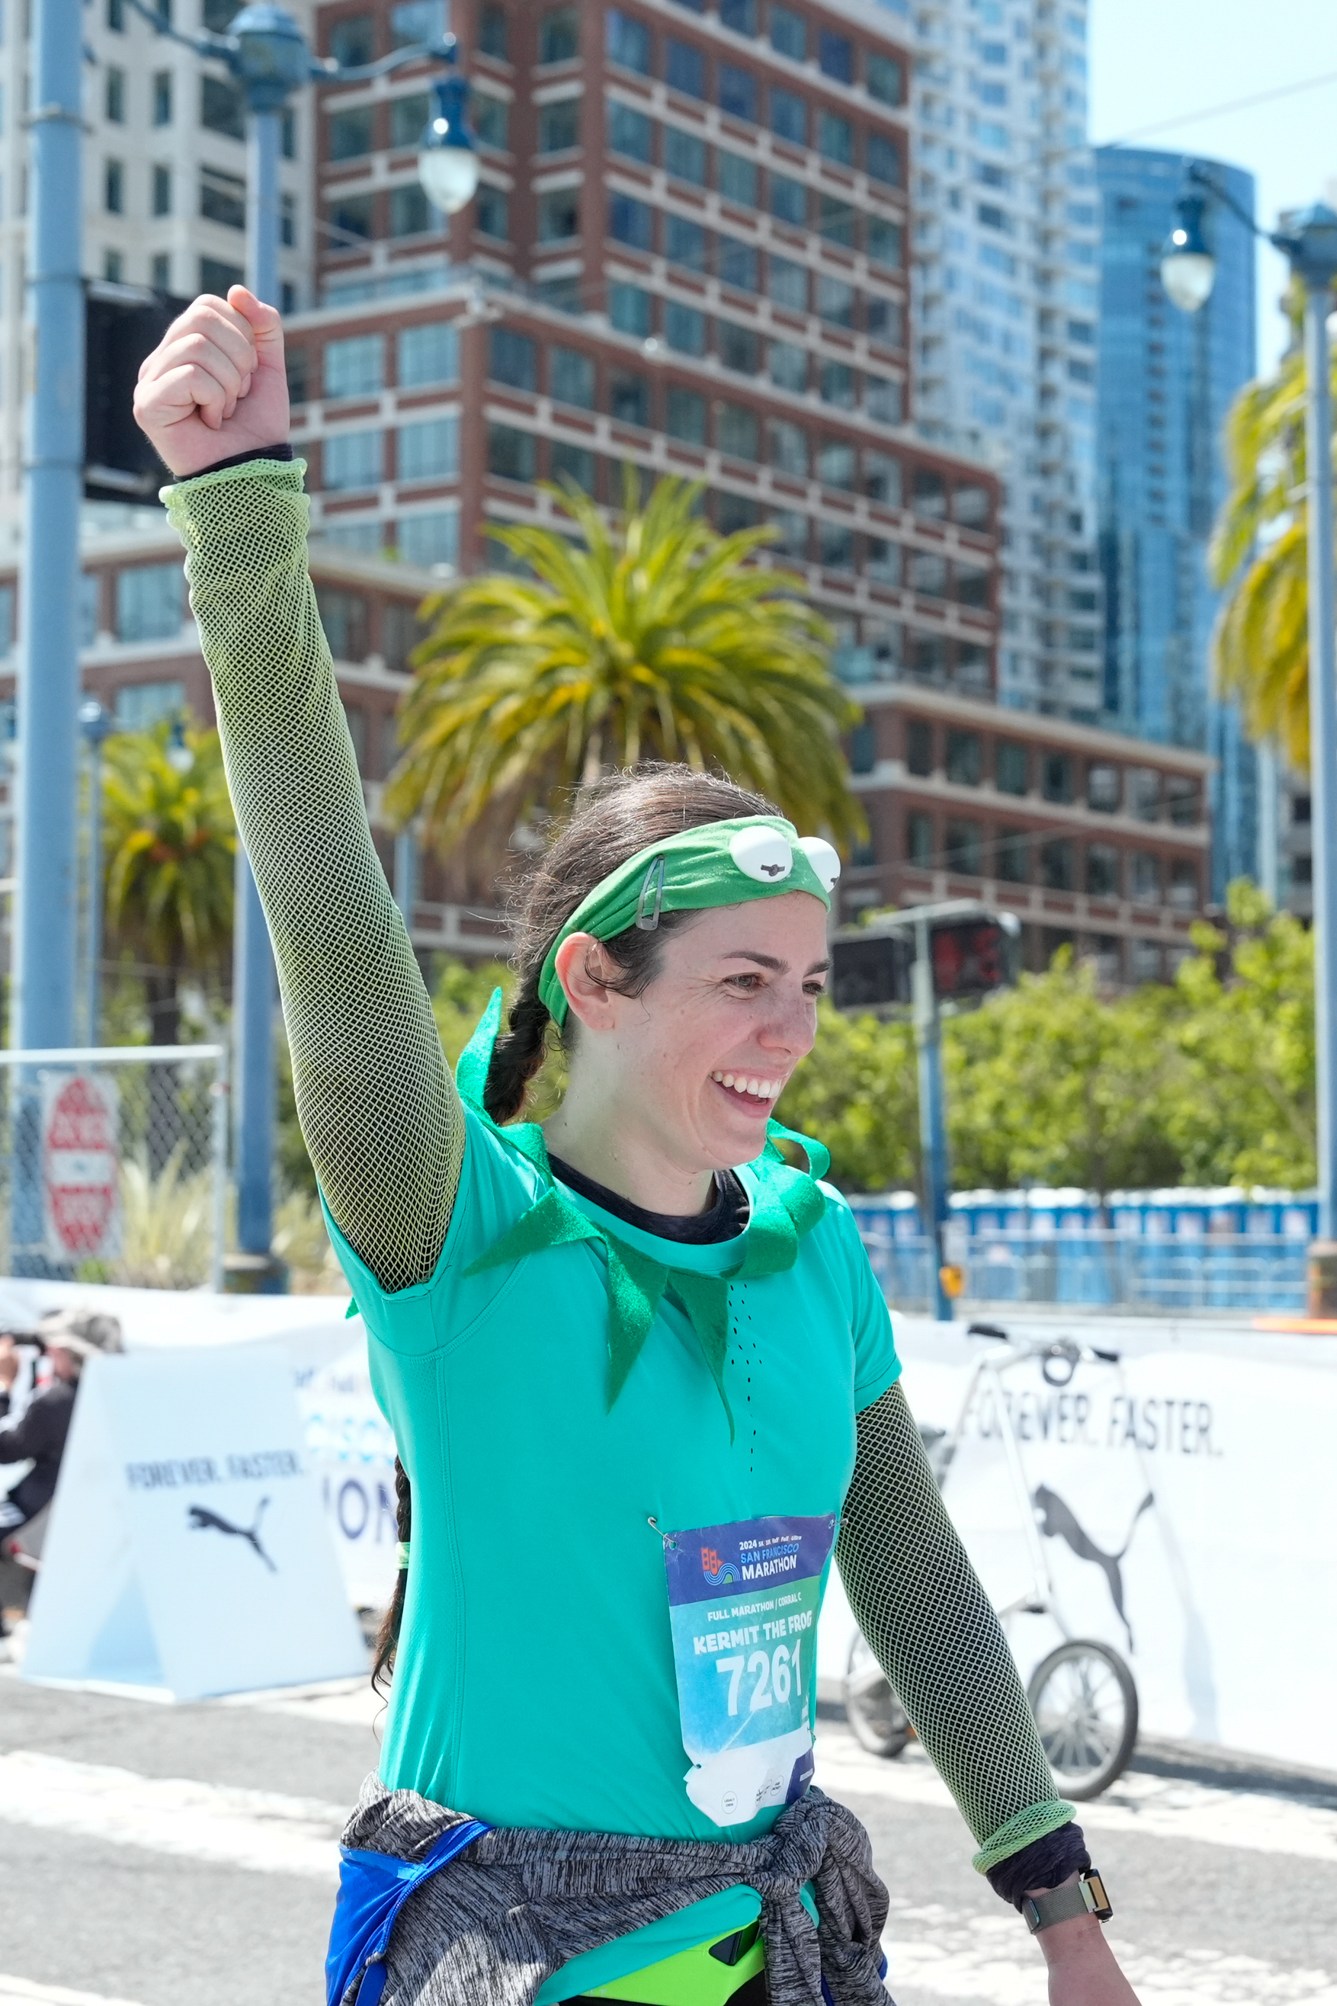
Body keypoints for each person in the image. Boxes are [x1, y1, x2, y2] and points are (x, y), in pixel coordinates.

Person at [134, 289, 1140, 2006]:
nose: (790, 1027)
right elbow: (322, 898)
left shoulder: (809, 1245)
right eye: (744, 982)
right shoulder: (458, 1232)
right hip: (522, 1955)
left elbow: (903, 1563)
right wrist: (242, 509)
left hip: (783, 1944)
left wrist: (1062, 1912)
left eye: (809, 984)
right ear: (593, 979)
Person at [0, 1308, 123, 1628]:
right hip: (99, 1507)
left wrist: (4, 1386)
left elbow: (6, 1449)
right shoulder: (118, 1393)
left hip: (46, 1508)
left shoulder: (55, 1402)